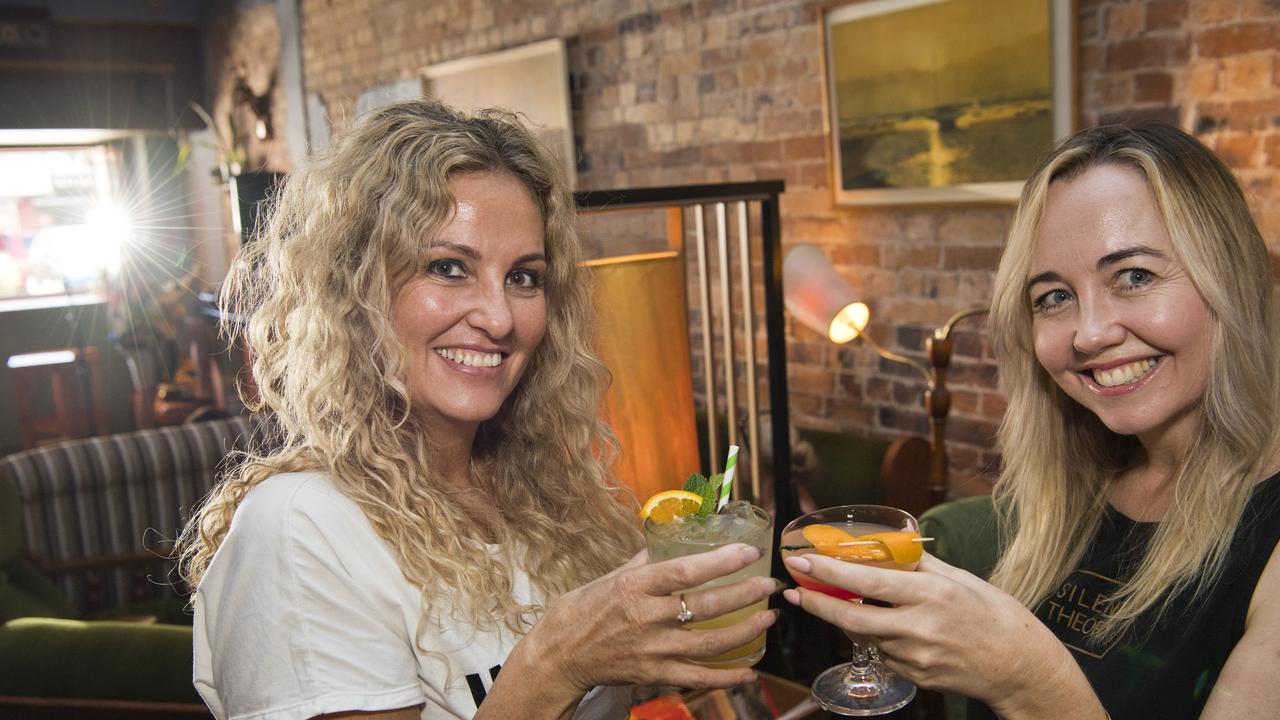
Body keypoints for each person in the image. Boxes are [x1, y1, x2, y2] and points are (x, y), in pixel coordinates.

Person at [177, 99, 779, 720]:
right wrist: (555, 662)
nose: (498, 318)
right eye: (448, 268)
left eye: (524, 278)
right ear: (353, 289)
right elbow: (557, 668)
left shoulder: (542, 492)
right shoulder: (300, 528)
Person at [781, 123, 1280, 719]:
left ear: (1232, 278)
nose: (1090, 334)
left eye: (1136, 277)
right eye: (1054, 297)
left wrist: (1024, 680)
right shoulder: (1075, 487)